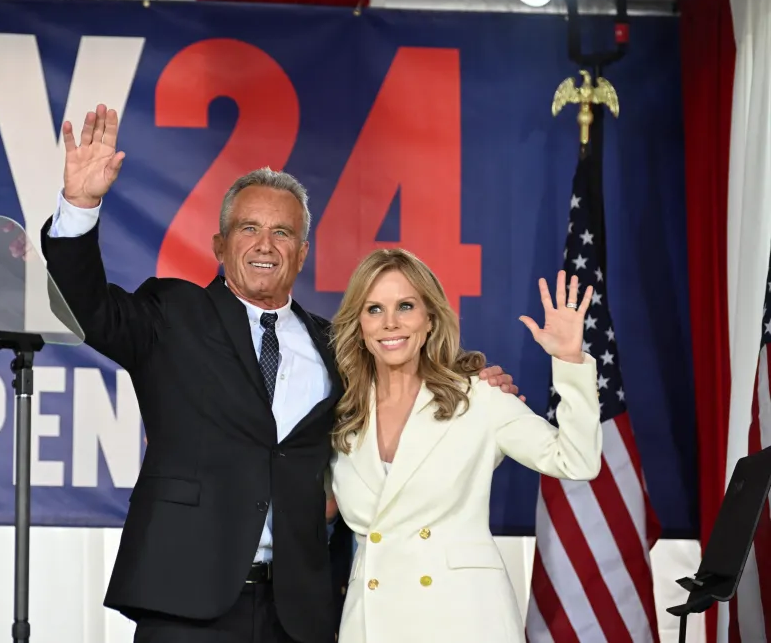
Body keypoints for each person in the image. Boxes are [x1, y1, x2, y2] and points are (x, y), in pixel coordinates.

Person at [38, 103, 521, 643]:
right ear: (221, 246)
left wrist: (467, 390)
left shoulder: (339, 343)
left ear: (302, 252)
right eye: (249, 229)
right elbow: (86, 308)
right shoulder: (171, 314)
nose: (265, 245)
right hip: (184, 600)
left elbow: (400, 391)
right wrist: (80, 205)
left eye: (282, 233)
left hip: (298, 609)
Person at [327, 249, 602, 643]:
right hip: (371, 624)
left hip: (465, 620)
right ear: (359, 324)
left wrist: (570, 360)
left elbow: (576, 460)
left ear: (430, 319)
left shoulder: (478, 398)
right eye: (374, 309)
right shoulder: (342, 414)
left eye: (405, 306)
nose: (390, 323)